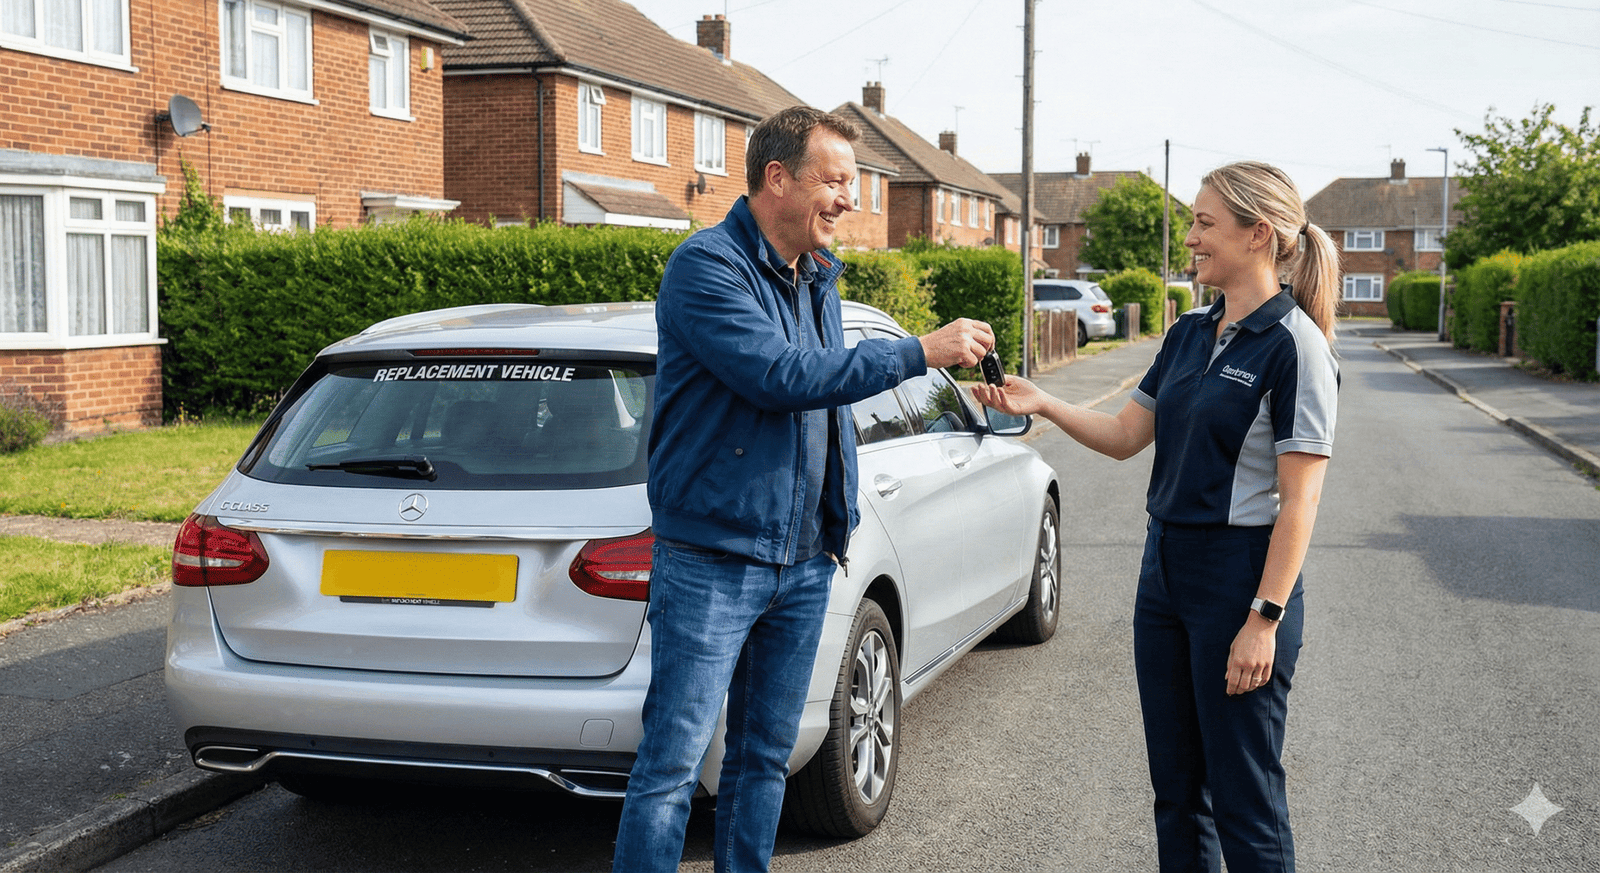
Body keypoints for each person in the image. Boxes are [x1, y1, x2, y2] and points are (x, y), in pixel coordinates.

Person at [612, 106, 993, 873]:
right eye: (836, 180)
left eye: (853, 183)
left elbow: (826, 405)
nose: (849, 199)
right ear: (778, 177)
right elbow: (781, 376)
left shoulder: (816, 277)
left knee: (765, 758)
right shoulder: (706, 267)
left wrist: (834, 526)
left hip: (804, 560)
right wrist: (917, 351)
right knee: (673, 766)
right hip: (714, 558)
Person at [973, 160, 1339, 873]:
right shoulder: (1188, 332)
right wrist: (1041, 402)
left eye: (1204, 223)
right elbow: (1124, 436)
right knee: (1176, 793)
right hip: (1164, 572)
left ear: (1258, 234)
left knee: (1245, 800)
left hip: (1239, 580)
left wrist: (1263, 620)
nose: (1191, 238)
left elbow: (1302, 501)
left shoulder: (1296, 347)